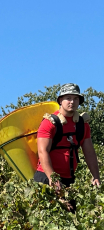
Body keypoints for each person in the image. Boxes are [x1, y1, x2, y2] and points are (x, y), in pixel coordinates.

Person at [34, 83, 100, 211]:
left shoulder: (82, 125)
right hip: (45, 178)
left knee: (70, 222)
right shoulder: (49, 123)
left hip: (69, 181)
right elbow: (43, 152)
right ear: (60, 100)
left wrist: (96, 176)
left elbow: (89, 152)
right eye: (68, 98)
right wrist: (52, 178)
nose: (72, 102)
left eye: (76, 99)